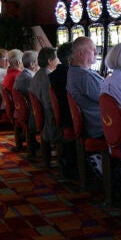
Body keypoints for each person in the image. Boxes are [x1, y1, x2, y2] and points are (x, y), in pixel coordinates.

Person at [67, 37, 104, 176]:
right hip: (102, 126)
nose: (96, 52)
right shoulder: (84, 76)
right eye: (92, 49)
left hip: (93, 123)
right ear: (81, 54)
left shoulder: (75, 71)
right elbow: (112, 100)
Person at [50, 42, 77, 178]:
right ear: (69, 60)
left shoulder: (54, 74)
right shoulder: (72, 76)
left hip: (63, 117)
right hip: (72, 119)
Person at [29, 47, 61, 147]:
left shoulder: (37, 74)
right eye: (57, 59)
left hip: (39, 119)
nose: (59, 61)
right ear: (50, 61)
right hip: (50, 123)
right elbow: (51, 105)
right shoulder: (49, 78)